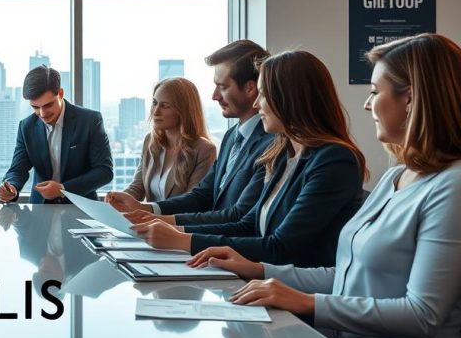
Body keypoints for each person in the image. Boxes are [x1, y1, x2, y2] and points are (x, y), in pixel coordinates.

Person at [193, 34, 461, 338]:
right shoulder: (397, 175)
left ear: (411, 98)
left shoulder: (452, 187)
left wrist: (306, 302)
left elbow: (421, 315)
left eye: (374, 91)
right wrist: (262, 272)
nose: (367, 105)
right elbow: (346, 273)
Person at [131, 50, 366, 268]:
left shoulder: (334, 160)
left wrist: (183, 240)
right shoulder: (283, 155)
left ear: (289, 98)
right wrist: (175, 231)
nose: (256, 103)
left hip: (292, 294)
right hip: (261, 283)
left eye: (262, 94)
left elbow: (281, 247)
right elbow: (248, 226)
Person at [109, 40, 273, 226]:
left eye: (223, 86)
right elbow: (203, 195)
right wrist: (148, 210)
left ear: (250, 88)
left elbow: (238, 216)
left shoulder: (271, 144)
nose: (214, 96)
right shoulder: (231, 137)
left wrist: (160, 223)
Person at [0, 65, 112, 204]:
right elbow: (17, 170)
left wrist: (63, 189)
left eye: (48, 105)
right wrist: (11, 187)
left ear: (61, 94)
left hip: (81, 208)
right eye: (35, 107)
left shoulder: (90, 121)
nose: (42, 113)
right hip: (39, 210)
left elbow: (104, 171)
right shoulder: (26, 127)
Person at [114, 77, 216, 202]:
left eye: (165, 106)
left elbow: (192, 202)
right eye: (155, 103)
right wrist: (117, 198)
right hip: (146, 220)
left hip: (173, 221)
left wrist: (150, 211)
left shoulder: (204, 150)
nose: (155, 112)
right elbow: (137, 188)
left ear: (183, 111)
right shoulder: (150, 141)